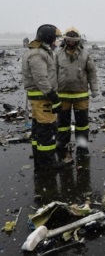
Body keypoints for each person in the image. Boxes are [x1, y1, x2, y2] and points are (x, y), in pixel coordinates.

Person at [22, 24, 64, 171]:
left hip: (38, 99)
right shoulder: (38, 54)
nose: (56, 42)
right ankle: (49, 163)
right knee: (47, 130)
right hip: (43, 99)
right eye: (55, 39)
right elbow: (41, 78)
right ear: (48, 38)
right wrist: (53, 97)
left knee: (38, 130)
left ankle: (40, 160)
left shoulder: (38, 51)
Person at [55, 26, 98, 161]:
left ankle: (82, 148)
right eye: (69, 40)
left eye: (74, 40)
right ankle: (62, 146)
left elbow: (92, 72)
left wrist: (94, 88)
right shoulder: (58, 54)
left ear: (78, 41)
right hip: (62, 96)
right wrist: (51, 91)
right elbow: (52, 73)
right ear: (65, 40)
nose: (71, 42)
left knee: (82, 124)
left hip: (81, 96)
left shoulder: (85, 54)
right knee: (62, 125)